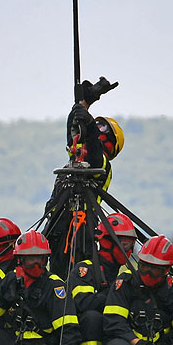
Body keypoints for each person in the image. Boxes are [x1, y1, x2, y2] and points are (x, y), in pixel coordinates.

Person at [44, 77, 124, 279]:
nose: (96, 130)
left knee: (77, 277)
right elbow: (74, 137)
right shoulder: (76, 162)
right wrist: (83, 104)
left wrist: (88, 122)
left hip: (83, 230)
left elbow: (95, 159)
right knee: (56, 277)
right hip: (58, 227)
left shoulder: (103, 165)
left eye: (101, 129)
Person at [68, 213, 137, 345]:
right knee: (93, 318)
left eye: (131, 244)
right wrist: (116, 295)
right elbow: (84, 303)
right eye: (124, 243)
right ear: (107, 241)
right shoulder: (85, 269)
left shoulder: (124, 277)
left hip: (114, 339)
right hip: (82, 343)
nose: (128, 249)